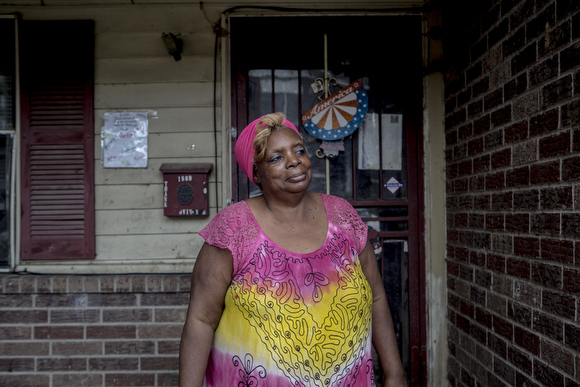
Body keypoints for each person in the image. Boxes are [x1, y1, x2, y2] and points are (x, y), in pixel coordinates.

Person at [179, 112, 407, 387]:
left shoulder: (343, 216)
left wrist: (395, 375)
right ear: (256, 173)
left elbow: (377, 298)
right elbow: (201, 320)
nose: (294, 161)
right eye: (276, 158)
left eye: (299, 150)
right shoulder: (234, 228)